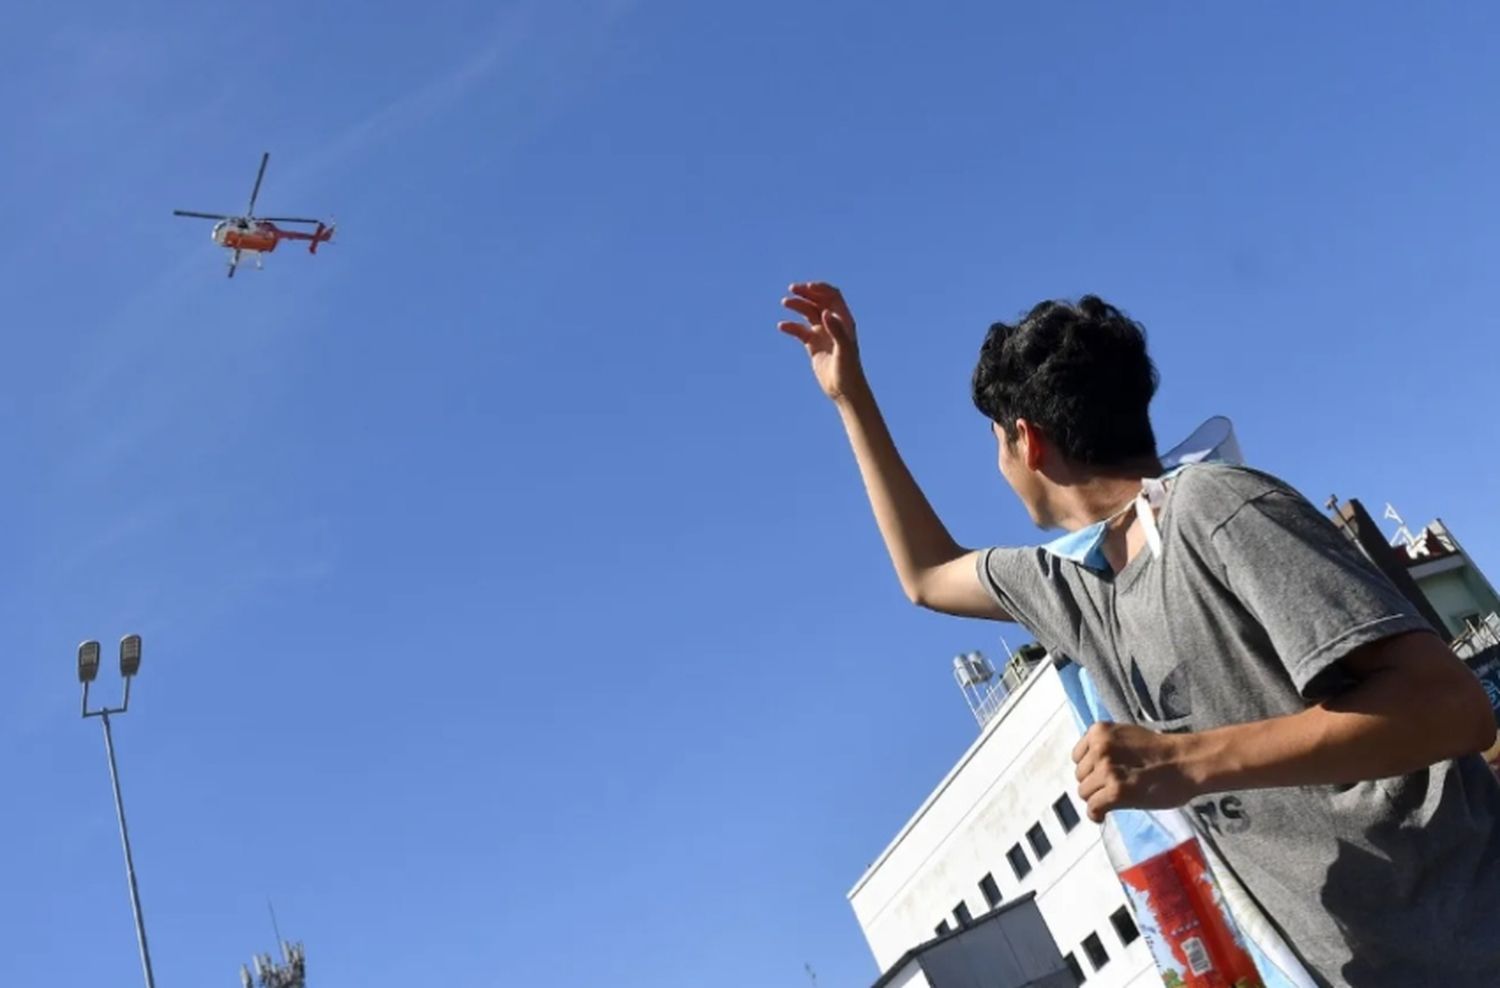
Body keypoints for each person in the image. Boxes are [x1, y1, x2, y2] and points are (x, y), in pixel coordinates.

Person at [777, 282, 1500, 987]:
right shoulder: (1072, 585)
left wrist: (1185, 759)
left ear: (1027, 442)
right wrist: (851, 398)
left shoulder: (1219, 507)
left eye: (995, 442)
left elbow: (1449, 706)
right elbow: (928, 574)